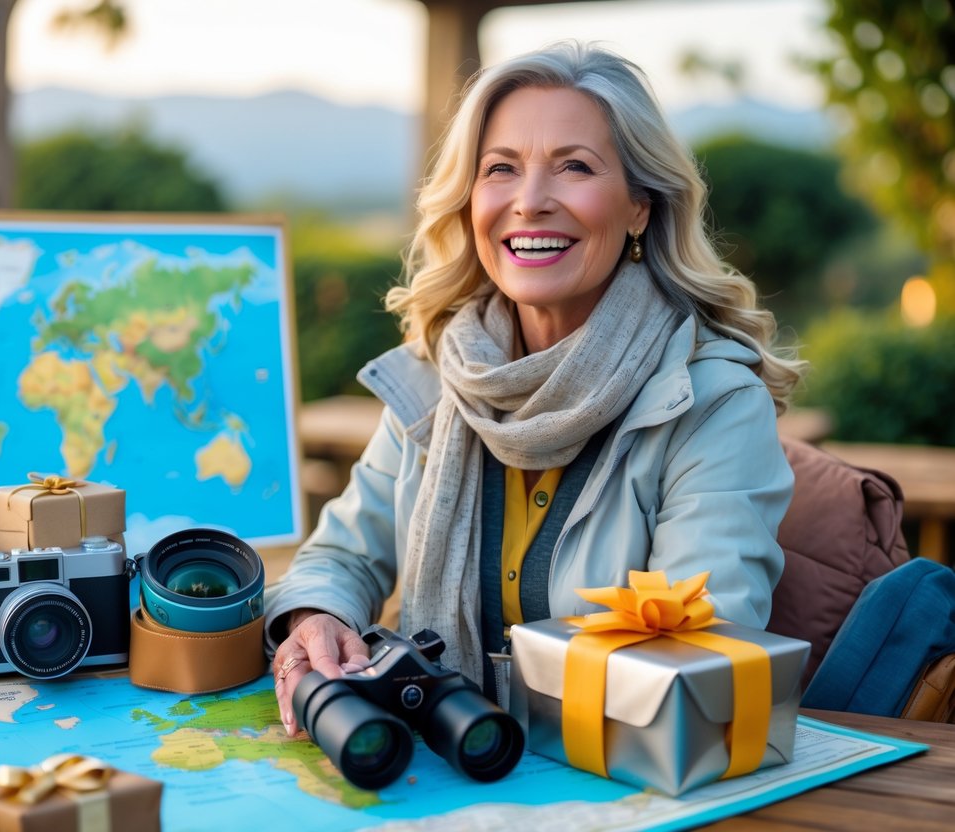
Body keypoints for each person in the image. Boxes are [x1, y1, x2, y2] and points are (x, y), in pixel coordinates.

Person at [266, 41, 806, 735]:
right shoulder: (437, 374)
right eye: (501, 169)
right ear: (469, 200)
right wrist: (317, 620)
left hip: (612, 773)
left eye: (574, 166)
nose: (529, 202)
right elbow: (342, 555)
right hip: (447, 760)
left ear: (639, 206)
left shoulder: (712, 403)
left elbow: (697, 661)